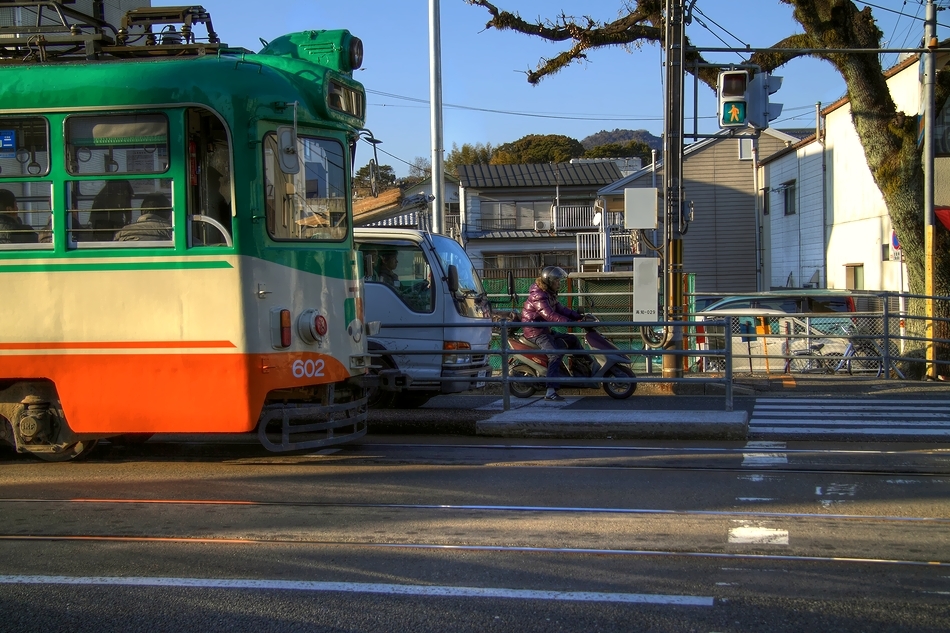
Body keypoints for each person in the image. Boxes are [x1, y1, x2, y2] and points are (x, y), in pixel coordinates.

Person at [521, 266, 584, 401]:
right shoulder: (538, 295)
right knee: (555, 354)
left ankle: (581, 372)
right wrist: (569, 322)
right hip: (536, 331)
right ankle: (550, 391)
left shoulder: (549, 293)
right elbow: (548, 315)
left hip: (545, 330)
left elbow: (561, 309)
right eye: (557, 280)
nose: (559, 283)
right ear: (549, 281)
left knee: (572, 340)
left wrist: (579, 317)